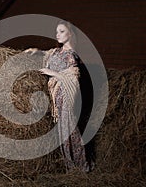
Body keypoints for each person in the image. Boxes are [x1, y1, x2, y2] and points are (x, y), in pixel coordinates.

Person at [25, 21, 95, 172]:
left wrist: (53, 73)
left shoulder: (71, 55)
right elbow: (47, 54)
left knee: (70, 130)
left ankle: (82, 166)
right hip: (56, 96)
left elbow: (73, 76)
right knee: (63, 132)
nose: (58, 34)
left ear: (71, 34)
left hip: (66, 95)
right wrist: (35, 50)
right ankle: (70, 165)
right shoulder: (58, 51)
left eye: (62, 31)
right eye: (57, 31)